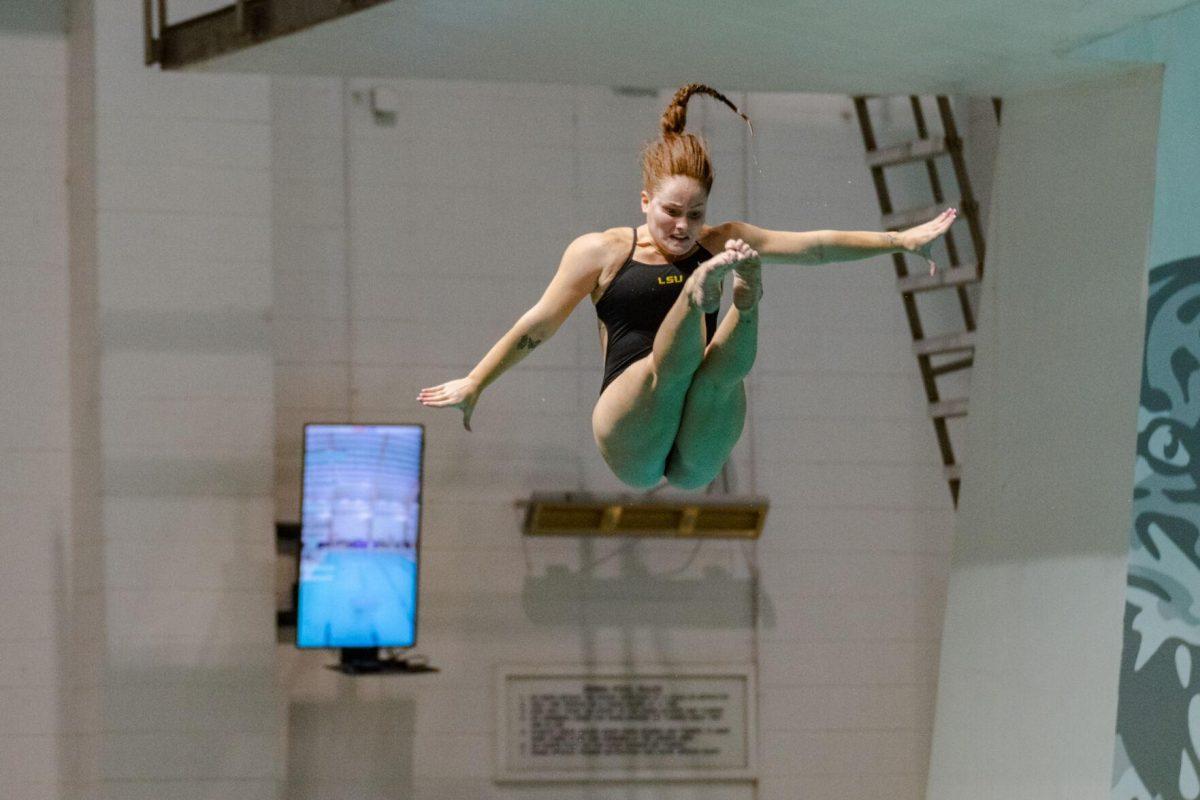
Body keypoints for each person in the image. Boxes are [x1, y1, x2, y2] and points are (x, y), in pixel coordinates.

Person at [418, 84, 957, 490]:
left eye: (695, 215)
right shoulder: (603, 252)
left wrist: (900, 241)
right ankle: (700, 296)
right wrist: (476, 382)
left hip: (698, 429)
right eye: (671, 212)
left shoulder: (724, 239)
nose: (682, 227)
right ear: (645, 201)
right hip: (631, 425)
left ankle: (745, 303)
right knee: (666, 368)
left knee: (723, 374)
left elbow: (815, 245)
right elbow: (536, 326)